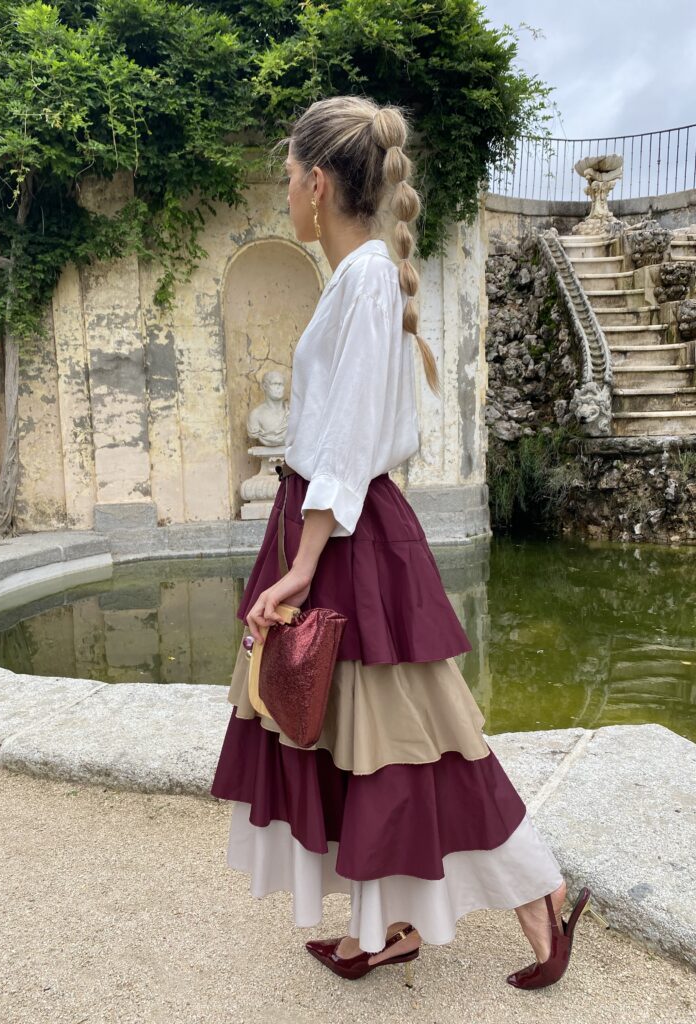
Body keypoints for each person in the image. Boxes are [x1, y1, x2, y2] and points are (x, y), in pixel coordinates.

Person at [210, 94, 596, 990]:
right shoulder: (359, 280)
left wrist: (303, 566)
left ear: (315, 183)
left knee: (424, 735)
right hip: (332, 531)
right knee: (362, 743)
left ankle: (538, 895)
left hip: (342, 541)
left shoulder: (369, 278)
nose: (286, 195)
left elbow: (344, 440)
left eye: (287, 179)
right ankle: (389, 926)